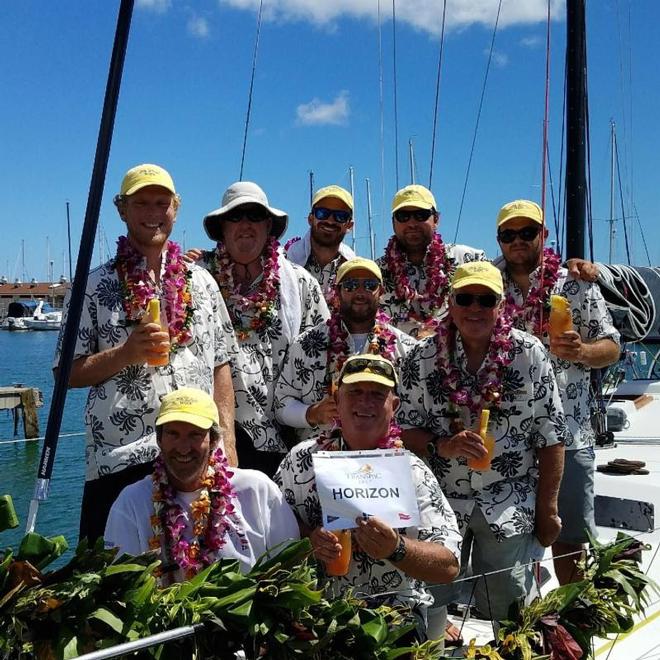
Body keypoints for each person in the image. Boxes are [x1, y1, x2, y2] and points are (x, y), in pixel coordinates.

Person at [55, 164, 237, 543]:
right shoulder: (91, 286)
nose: (153, 212)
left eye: (162, 202)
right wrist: (126, 353)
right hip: (120, 458)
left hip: (195, 454)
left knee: (199, 583)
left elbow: (222, 365)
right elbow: (66, 375)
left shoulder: (203, 282)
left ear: (177, 208)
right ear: (122, 209)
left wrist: (229, 446)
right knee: (110, 583)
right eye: (141, 203)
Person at [398, 261, 568, 622]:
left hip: (509, 500)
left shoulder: (529, 354)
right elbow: (401, 430)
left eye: (485, 299)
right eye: (465, 298)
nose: (475, 308)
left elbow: (552, 436)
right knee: (427, 603)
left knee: (512, 610)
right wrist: (441, 445)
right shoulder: (420, 358)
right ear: (451, 302)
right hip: (439, 502)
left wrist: (548, 509)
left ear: (501, 305)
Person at [275, 354, 461, 640]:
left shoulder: (411, 470)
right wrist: (308, 542)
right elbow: (270, 534)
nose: (365, 402)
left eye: (377, 394)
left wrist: (397, 549)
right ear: (336, 399)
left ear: (393, 406)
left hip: (394, 621)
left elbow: (448, 564)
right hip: (317, 620)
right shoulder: (300, 460)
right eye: (355, 392)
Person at [495, 199, 620, 585]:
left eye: (527, 232)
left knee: (570, 537)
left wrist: (583, 351)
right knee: (514, 536)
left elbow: (613, 347)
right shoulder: (486, 286)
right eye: (508, 234)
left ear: (543, 235)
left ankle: (574, 618)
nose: (517, 241)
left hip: (570, 431)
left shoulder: (575, 285)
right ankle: (526, 626)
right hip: (509, 436)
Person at [197, 181, 330, 477]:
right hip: (213, 439)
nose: (245, 224)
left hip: (286, 440)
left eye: (254, 216)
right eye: (235, 216)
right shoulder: (196, 281)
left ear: (268, 225)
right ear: (221, 227)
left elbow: (323, 356)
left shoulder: (302, 284)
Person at [105, 388, 299, 582]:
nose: (183, 447)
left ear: (213, 440)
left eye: (195, 435)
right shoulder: (131, 502)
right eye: (173, 434)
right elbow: (121, 584)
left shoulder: (257, 490)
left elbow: (290, 568)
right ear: (159, 440)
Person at [274, 257, 416, 442]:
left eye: (369, 285)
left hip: (387, 460)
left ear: (380, 291)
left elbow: (418, 414)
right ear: (337, 292)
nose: (360, 292)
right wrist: (312, 413)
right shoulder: (306, 344)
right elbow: (281, 404)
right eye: (350, 285)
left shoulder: (406, 348)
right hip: (319, 458)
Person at [377, 184, 485, 338]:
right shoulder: (374, 275)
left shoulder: (469, 261)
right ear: (393, 222)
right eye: (403, 216)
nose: (412, 223)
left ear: (436, 219)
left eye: (421, 215)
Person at [285, 185, 356, 307]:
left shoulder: (354, 269)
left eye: (340, 216)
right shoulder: (285, 261)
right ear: (310, 219)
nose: (330, 221)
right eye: (322, 213)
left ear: (349, 225)